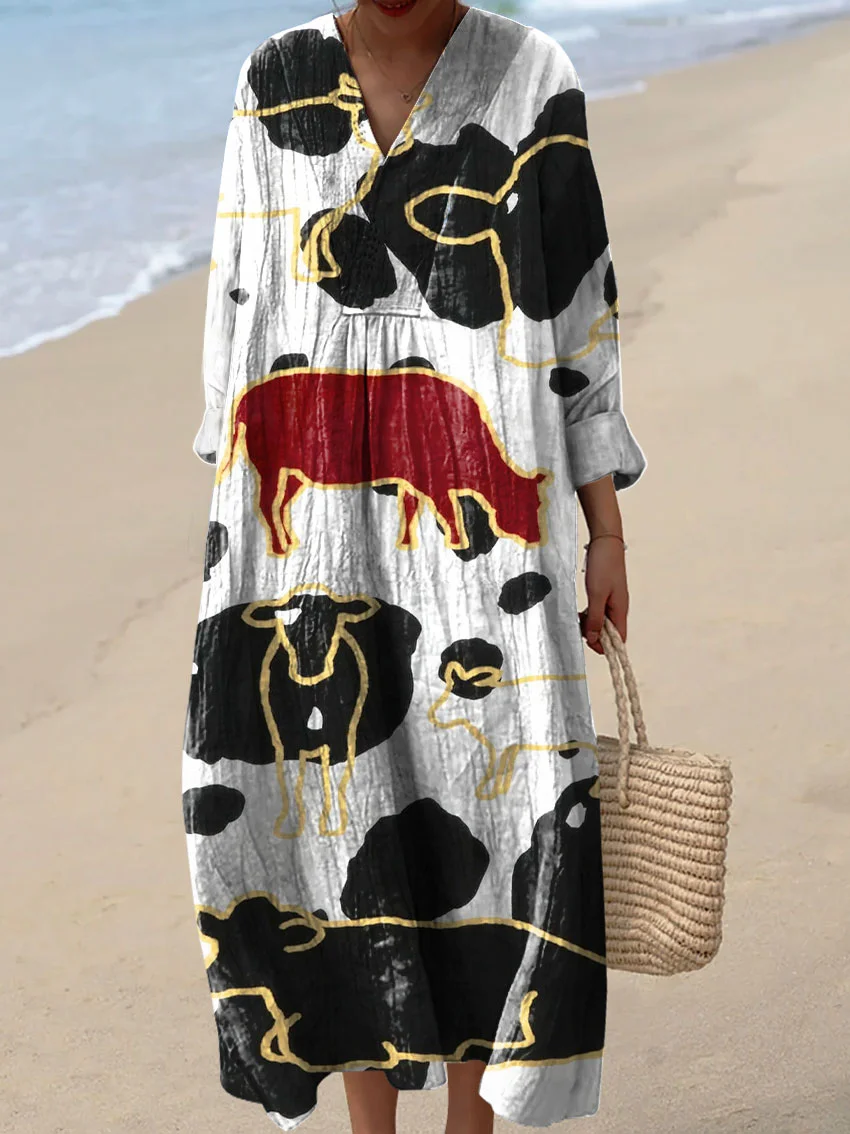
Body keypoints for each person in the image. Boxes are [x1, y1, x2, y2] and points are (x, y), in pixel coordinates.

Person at [182, 1, 646, 1132]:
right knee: (329, 811)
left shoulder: (532, 76)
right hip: (308, 534)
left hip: (487, 546)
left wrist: (607, 531)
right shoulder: (274, 79)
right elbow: (239, 298)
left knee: (501, 807)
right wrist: (238, 522)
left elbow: (580, 313)